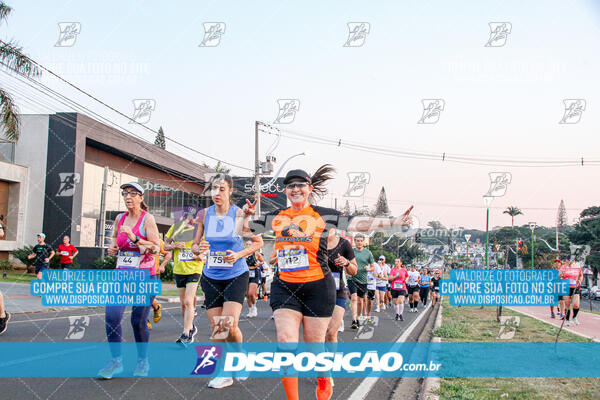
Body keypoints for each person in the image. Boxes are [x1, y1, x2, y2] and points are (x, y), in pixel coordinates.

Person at [249, 166, 412, 400]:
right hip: (285, 286)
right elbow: (244, 230)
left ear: (309, 189)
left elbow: (358, 224)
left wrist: (393, 222)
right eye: (291, 186)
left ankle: (324, 377)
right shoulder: (275, 218)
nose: (295, 189)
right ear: (286, 190)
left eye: (300, 185)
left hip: (318, 287)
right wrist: (245, 214)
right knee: (285, 343)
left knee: (315, 346)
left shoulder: (323, 215)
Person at [191, 174, 262, 389]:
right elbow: (194, 246)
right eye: (213, 188)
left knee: (228, 324)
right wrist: (199, 249)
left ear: (230, 191)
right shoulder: (204, 214)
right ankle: (227, 370)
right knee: (217, 327)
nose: (216, 193)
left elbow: (257, 243)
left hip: (235, 274)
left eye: (221, 189)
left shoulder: (238, 214)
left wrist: (238, 255)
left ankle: (235, 362)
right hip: (212, 275)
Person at [98, 182, 160, 379]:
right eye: (125, 193)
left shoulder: (147, 219)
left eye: (133, 193)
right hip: (122, 274)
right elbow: (115, 238)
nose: (128, 197)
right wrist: (113, 248)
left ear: (141, 198)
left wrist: (134, 239)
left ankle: (143, 360)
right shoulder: (120, 218)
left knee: (137, 321)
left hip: (145, 276)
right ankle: (116, 361)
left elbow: (156, 248)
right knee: (112, 316)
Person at [164, 212, 203, 345]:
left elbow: (208, 248)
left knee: (188, 301)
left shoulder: (200, 229)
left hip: (195, 269)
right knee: (183, 303)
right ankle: (191, 327)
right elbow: (165, 246)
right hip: (179, 269)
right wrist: (174, 246)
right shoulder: (175, 228)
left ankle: (186, 333)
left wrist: (200, 255)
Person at [325, 228, 357, 341]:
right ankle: (321, 356)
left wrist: (347, 263)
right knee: (319, 334)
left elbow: (354, 270)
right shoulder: (312, 242)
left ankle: (330, 358)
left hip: (337, 291)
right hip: (316, 292)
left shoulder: (344, 244)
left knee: (331, 333)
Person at [348, 234, 375, 329]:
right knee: (354, 298)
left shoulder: (368, 253)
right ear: (354, 242)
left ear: (363, 242)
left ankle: (358, 318)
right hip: (352, 278)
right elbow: (346, 263)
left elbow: (373, 267)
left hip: (363, 280)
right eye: (357, 241)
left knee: (360, 301)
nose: (359, 242)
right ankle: (354, 320)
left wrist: (369, 268)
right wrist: (347, 271)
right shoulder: (351, 252)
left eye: (360, 241)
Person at [147, 239, 172, 331]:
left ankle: (156, 307)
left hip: (154, 273)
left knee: (149, 297)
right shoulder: (135, 240)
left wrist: (162, 265)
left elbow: (168, 254)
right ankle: (145, 320)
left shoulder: (158, 241)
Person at [560, 260, 584, 326]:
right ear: (566, 260)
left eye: (572, 259)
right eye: (569, 259)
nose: (570, 261)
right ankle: (567, 320)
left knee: (576, 305)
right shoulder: (563, 267)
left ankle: (574, 317)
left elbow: (581, 275)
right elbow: (559, 276)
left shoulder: (577, 267)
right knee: (567, 304)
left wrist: (580, 280)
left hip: (575, 287)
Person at [245, 241, 264, 318]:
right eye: (247, 244)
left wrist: (258, 264)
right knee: (246, 294)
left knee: (251, 293)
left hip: (254, 273)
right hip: (245, 273)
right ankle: (250, 310)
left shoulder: (256, 254)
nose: (248, 245)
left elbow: (262, 261)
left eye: (250, 244)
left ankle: (254, 307)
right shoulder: (243, 254)